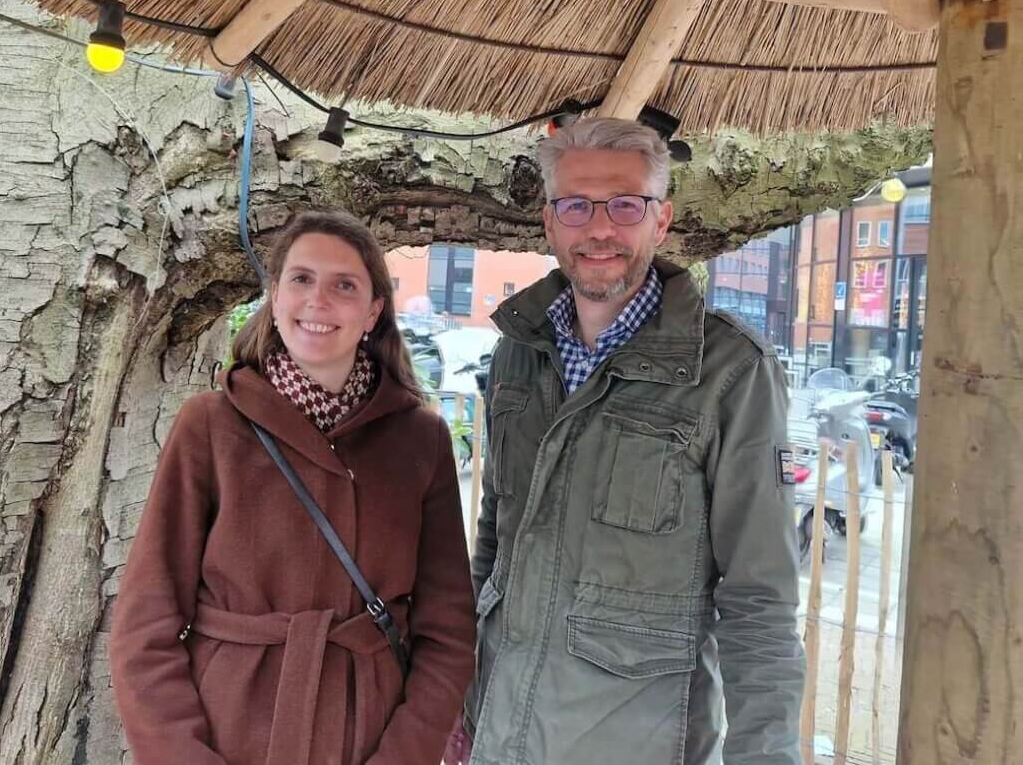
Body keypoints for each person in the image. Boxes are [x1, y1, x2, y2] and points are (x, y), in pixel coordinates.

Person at [450, 118, 804, 765]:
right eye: (577, 205)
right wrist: (460, 697)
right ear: (551, 222)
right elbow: (497, 542)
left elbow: (761, 600)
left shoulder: (732, 373)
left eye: (625, 205)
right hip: (495, 734)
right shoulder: (518, 353)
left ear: (660, 221)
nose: (601, 228)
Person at [112, 210, 476, 765]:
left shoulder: (419, 438)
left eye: (344, 285)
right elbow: (146, 624)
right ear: (275, 296)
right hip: (228, 727)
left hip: (367, 733)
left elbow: (448, 631)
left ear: (373, 311)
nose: (318, 300)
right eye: (302, 279)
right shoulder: (210, 424)